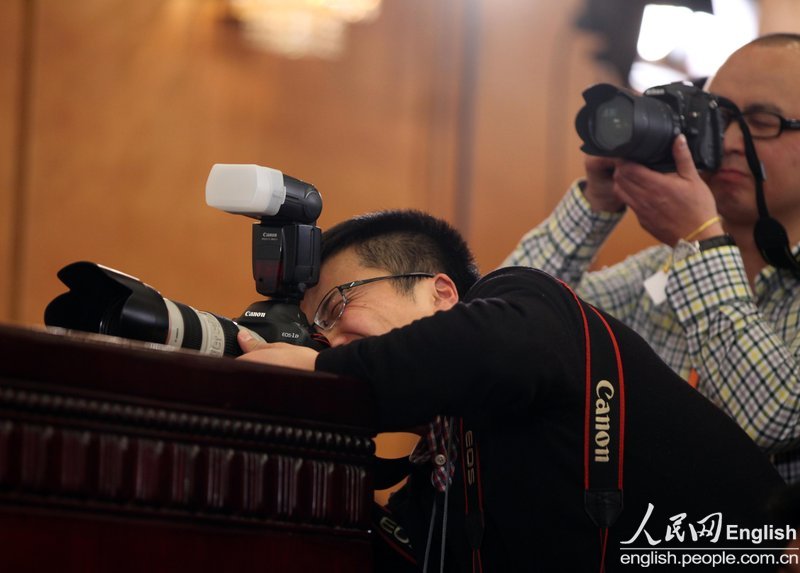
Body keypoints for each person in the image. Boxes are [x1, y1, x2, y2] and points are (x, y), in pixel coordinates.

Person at [237, 209, 785, 572]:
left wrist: (317, 376)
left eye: (337, 307)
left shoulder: (525, 302)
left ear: (442, 292)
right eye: (317, 335)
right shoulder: (438, 468)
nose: (330, 339)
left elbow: (493, 350)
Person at [503, 33, 800, 483]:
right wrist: (596, 203)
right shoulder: (656, 274)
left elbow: (773, 415)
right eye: (719, 117)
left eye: (760, 121)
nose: (730, 142)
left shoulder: (686, 262)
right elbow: (505, 338)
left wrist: (698, 239)